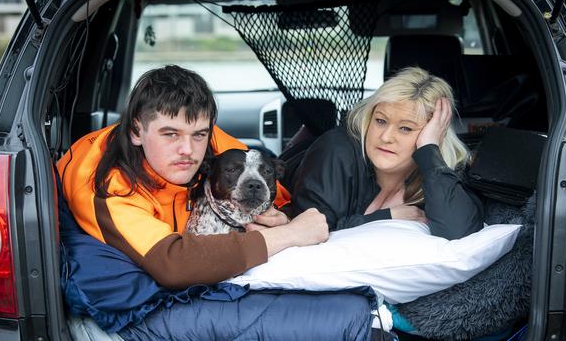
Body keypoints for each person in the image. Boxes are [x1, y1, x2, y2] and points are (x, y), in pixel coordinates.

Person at [57, 65, 329, 290]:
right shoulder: (104, 182)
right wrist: (290, 234)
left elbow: (277, 196)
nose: (188, 150)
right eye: (170, 134)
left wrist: (280, 216)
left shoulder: (202, 136)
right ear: (137, 131)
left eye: (199, 134)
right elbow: (173, 264)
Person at [290, 67, 483, 239]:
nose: (386, 137)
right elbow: (310, 233)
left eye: (406, 128)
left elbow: (460, 233)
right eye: (380, 121)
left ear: (434, 133)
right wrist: (387, 217)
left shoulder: (442, 170)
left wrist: (429, 152)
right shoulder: (335, 151)